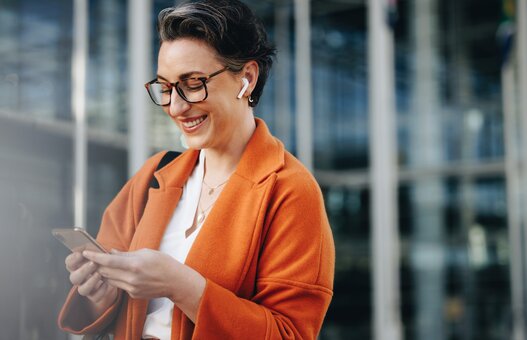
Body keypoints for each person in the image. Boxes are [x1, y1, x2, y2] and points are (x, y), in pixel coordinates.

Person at [58, 0, 335, 339]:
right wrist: (103, 294)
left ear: (246, 78)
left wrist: (183, 286)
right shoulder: (154, 175)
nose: (175, 106)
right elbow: (112, 313)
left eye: (193, 83)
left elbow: (289, 334)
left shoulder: (289, 192)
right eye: (165, 87)